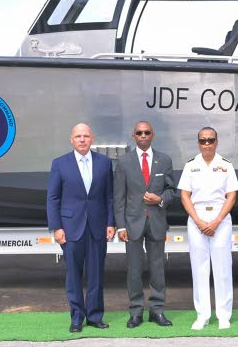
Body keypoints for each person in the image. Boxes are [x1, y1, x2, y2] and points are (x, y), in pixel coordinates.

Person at [46, 123, 115, 333]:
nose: (82, 140)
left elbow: (109, 197)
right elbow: (53, 197)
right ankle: (77, 317)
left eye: (86, 136)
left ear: (92, 138)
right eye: (78, 136)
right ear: (72, 139)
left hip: (97, 227)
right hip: (70, 228)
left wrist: (111, 223)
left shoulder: (104, 162)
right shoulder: (60, 163)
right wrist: (56, 227)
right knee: (73, 275)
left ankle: (94, 316)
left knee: (96, 274)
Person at [114, 120, 177, 328]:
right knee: (134, 269)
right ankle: (136, 311)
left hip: (156, 220)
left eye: (146, 132)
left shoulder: (164, 160)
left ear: (152, 135)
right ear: (133, 136)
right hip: (132, 223)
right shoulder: (124, 162)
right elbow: (119, 198)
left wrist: (159, 200)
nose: (143, 135)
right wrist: (121, 226)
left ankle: (157, 310)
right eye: (139, 133)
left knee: (157, 268)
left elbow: (171, 190)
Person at [177, 126, 238, 330]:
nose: (206, 144)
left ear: (216, 142)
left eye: (210, 140)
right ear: (198, 143)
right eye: (203, 140)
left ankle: (223, 315)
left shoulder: (226, 165)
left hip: (220, 218)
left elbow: (231, 196)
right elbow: (185, 195)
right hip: (197, 218)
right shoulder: (191, 165)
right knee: (199, 269)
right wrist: (199, 221)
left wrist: (216, 221)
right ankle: (202, 315)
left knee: (222, 269)